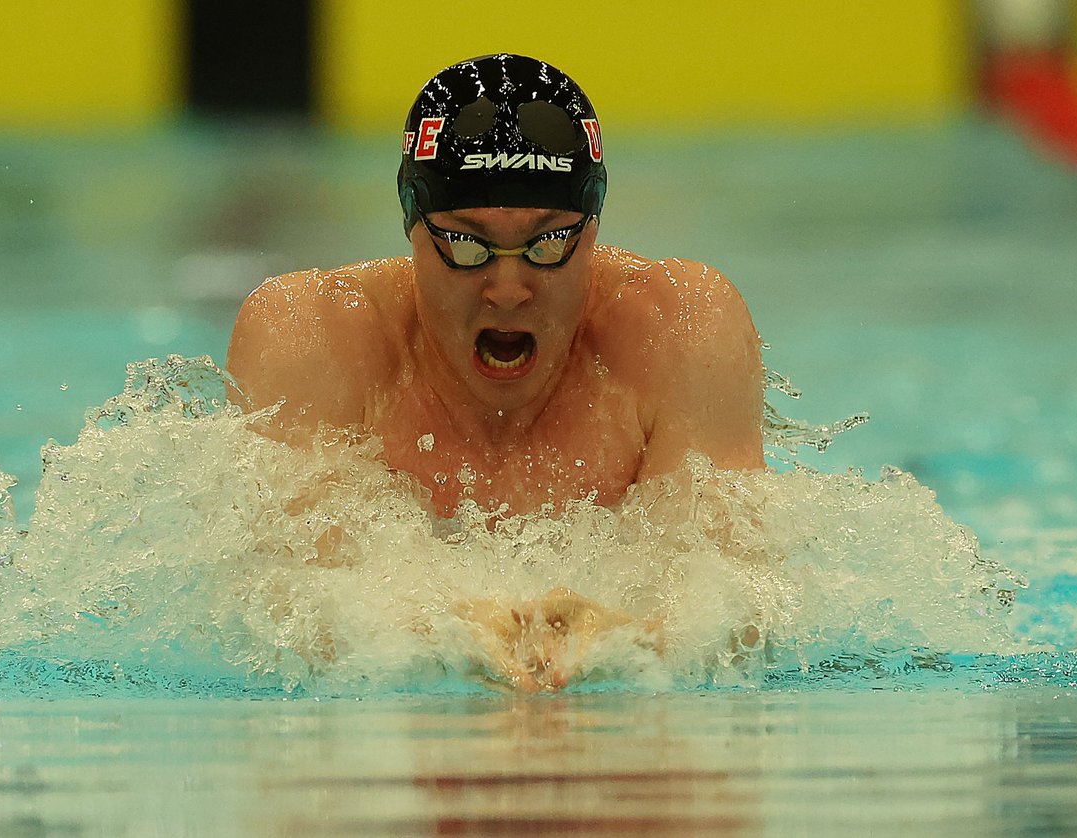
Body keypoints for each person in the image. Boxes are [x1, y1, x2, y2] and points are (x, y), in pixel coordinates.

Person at [226, 54, 765, 689]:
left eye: (548, 243)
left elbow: (741, 600)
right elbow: (278, 610)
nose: (508, 289)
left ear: (592, 227)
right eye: (465, 244)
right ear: (411, 223)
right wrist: (439, 631)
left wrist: (627, 635)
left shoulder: (679, 329)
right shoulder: (313, 340)